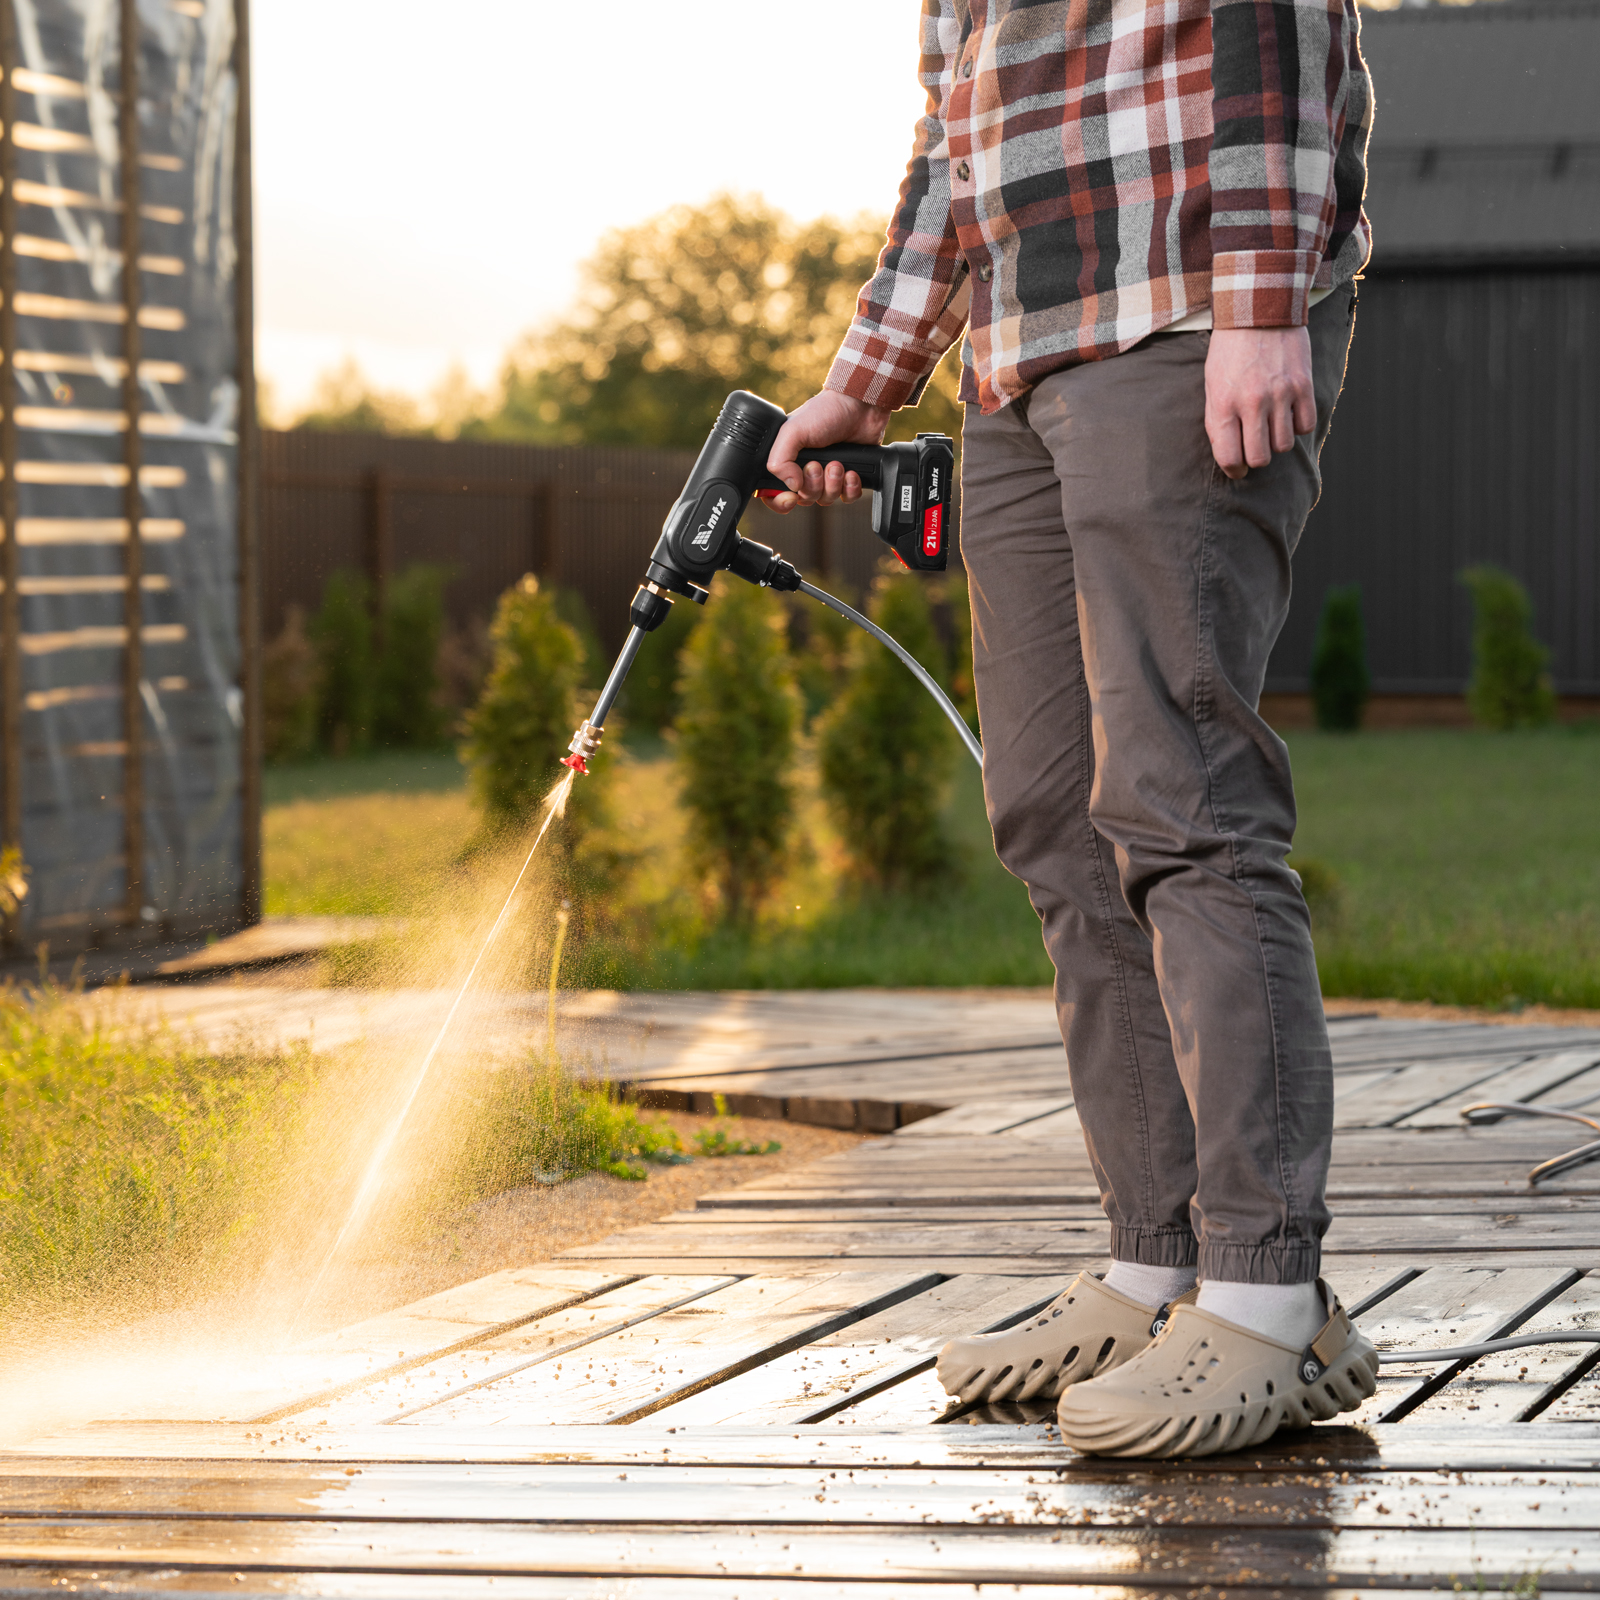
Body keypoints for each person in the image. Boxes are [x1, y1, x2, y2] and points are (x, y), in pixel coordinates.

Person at [764, 0, 1379, 1458]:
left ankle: (1267, 1296)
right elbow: (954, 140)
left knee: (1186, 797)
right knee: (1049, 809)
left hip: (1180, 311)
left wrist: (1261, 300)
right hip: (1016, 357)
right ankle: (1158, 1261)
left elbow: (1275, 26)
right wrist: (866, 375)